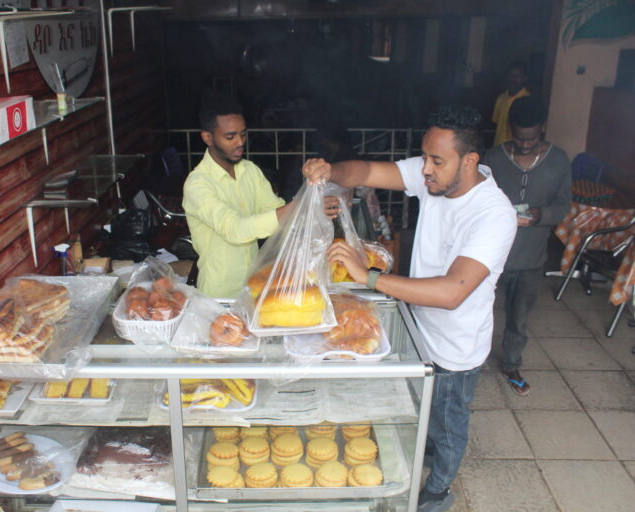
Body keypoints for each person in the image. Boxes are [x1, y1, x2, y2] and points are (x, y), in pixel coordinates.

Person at [303, 105, 517, 512]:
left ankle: (439, 488)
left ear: (469, 161)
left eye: (437, 161)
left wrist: (367, 276)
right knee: (423, 410)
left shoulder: (493, 215)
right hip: (418, 329)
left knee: (449, 422)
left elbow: (452, 292)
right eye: (425, 158)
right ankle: (425, 451)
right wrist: (330, 171)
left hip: (455, 347)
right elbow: (365, 172)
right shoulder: (434, 176)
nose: (425, 170)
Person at [182, 93, 338, 298]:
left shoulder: (249, 171)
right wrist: (301, 206)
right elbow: (235, 229)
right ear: (207, 138)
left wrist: (312, 203)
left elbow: (277, 213)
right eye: (230, 137)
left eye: (243, 134)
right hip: (219, 296)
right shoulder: (197, 184)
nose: (240, 142)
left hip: (254, 289)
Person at [484, 96, 571, 396]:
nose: (524, 145)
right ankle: (471, 360)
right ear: (510, 128)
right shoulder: (493, 159)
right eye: (519, 138)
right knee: (478, 312)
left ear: (542, 128)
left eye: (531, 139)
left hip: (531, 258)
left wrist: (540, 214)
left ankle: (512, 365)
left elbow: (563, 207)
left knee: (519, 318)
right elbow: (477, 199)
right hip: (491, 255)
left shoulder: (558, 160)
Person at [491, 62, 530, 147]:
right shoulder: (501, 98)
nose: (514, 79)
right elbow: (496, 122)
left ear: (525, 78)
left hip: (517, 148)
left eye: (518, 76)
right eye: (511, 75)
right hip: (499, 145)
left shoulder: (528, 100)